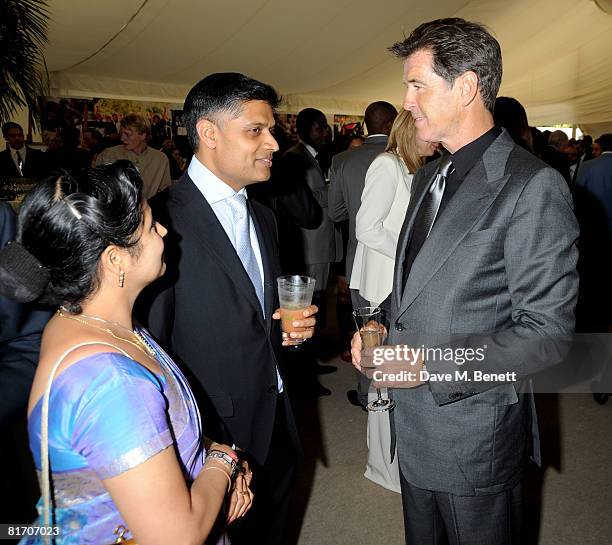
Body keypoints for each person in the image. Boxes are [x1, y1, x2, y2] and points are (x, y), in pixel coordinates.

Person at [352, 18, 578, 545]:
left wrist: (427, 364)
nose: (406, 102)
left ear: (467, 86)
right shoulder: (432, 173)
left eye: (417, 85)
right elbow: (418, 279)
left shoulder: (532, 187)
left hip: (474, 436)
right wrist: (381, 324)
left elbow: (545, 336)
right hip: (416, 428)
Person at [0, 161, 252, 544]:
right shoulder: (112, 383)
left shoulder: (81, 319)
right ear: (115, 258)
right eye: (151, 225)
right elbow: (177, 537)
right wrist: (225, 462)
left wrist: (210, 452)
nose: (164, 231)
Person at [138, 73, 318, 545]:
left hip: (278, 416)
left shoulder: (264, 216)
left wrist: (289, 328)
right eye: (256, 131)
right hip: (212, 435)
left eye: (271, 130)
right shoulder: (159, 221)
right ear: (209, 134)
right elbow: (150, 349)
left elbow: (259, 312)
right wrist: (198, 448)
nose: (274, 144)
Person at [328, 101, 398, 408]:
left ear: (366, 125)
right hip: (392, 257)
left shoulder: (343, 160)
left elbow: (336, 212)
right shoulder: (404, 159)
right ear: (392, 123)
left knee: (363, 326)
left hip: (358, 257)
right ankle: (388, 393)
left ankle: (364, 390)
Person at [95, 114, 171, 199]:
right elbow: (96, 188)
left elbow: (165, 192)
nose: (122, 138)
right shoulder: (107, 155)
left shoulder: (160, 159)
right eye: (121, 134)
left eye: (127, 134)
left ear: (143, 135)